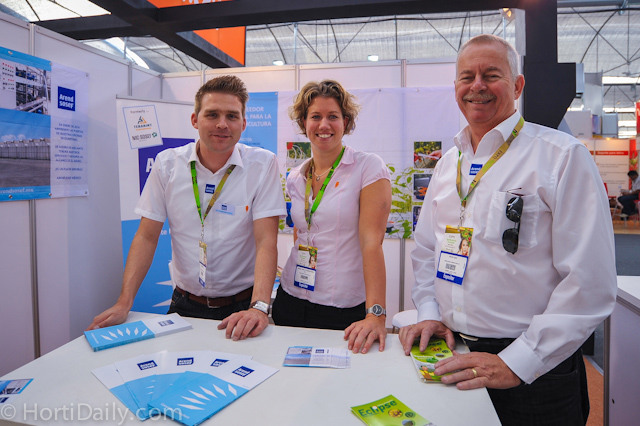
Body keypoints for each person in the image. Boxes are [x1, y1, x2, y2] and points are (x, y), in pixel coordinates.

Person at [399, 34, 617, 425]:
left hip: (534, 371)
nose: (477, 86)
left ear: (517, 85)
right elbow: (427, 251)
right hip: (455, 352)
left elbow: (590, 282)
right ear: (455, 87)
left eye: (491, 75)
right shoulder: (447, 164)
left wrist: (517, 362)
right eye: (467, 77)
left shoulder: (561, 157)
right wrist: (430, 312)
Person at [88, 75, 286, 341]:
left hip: (242, 306)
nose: (222, 124)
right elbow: (147, 236)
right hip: (184, 305)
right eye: (212, 114)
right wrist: (125, 302)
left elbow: (266, 241)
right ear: (195, 119)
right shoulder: (167, 164)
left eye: (232, 116)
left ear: (243, 123)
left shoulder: (262, 165)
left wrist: (259, 307)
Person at [272, 80, 392, 354]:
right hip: (291, 297)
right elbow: (302, 231)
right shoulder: (296, 176)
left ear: (345, 122)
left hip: (341, 307)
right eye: (315, 116)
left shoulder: (367, 168)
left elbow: (372, 243)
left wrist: (376, 314)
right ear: (303, 122)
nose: (324, 125)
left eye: (333, 117)